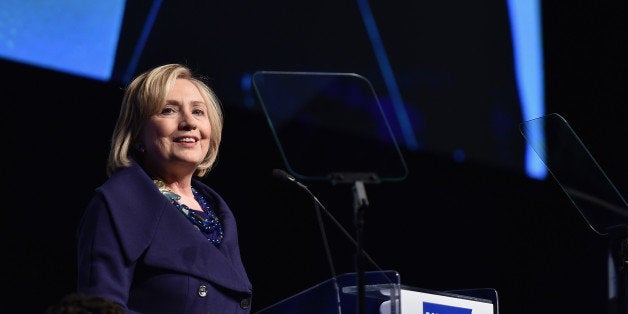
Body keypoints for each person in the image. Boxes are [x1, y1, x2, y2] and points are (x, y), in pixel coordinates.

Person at [76, 63, 253, 313]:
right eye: (168, 110)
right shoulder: (119, 203)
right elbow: (101, 308)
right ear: (137, 132)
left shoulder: (217, 211)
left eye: (198, 112)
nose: (189, 122)